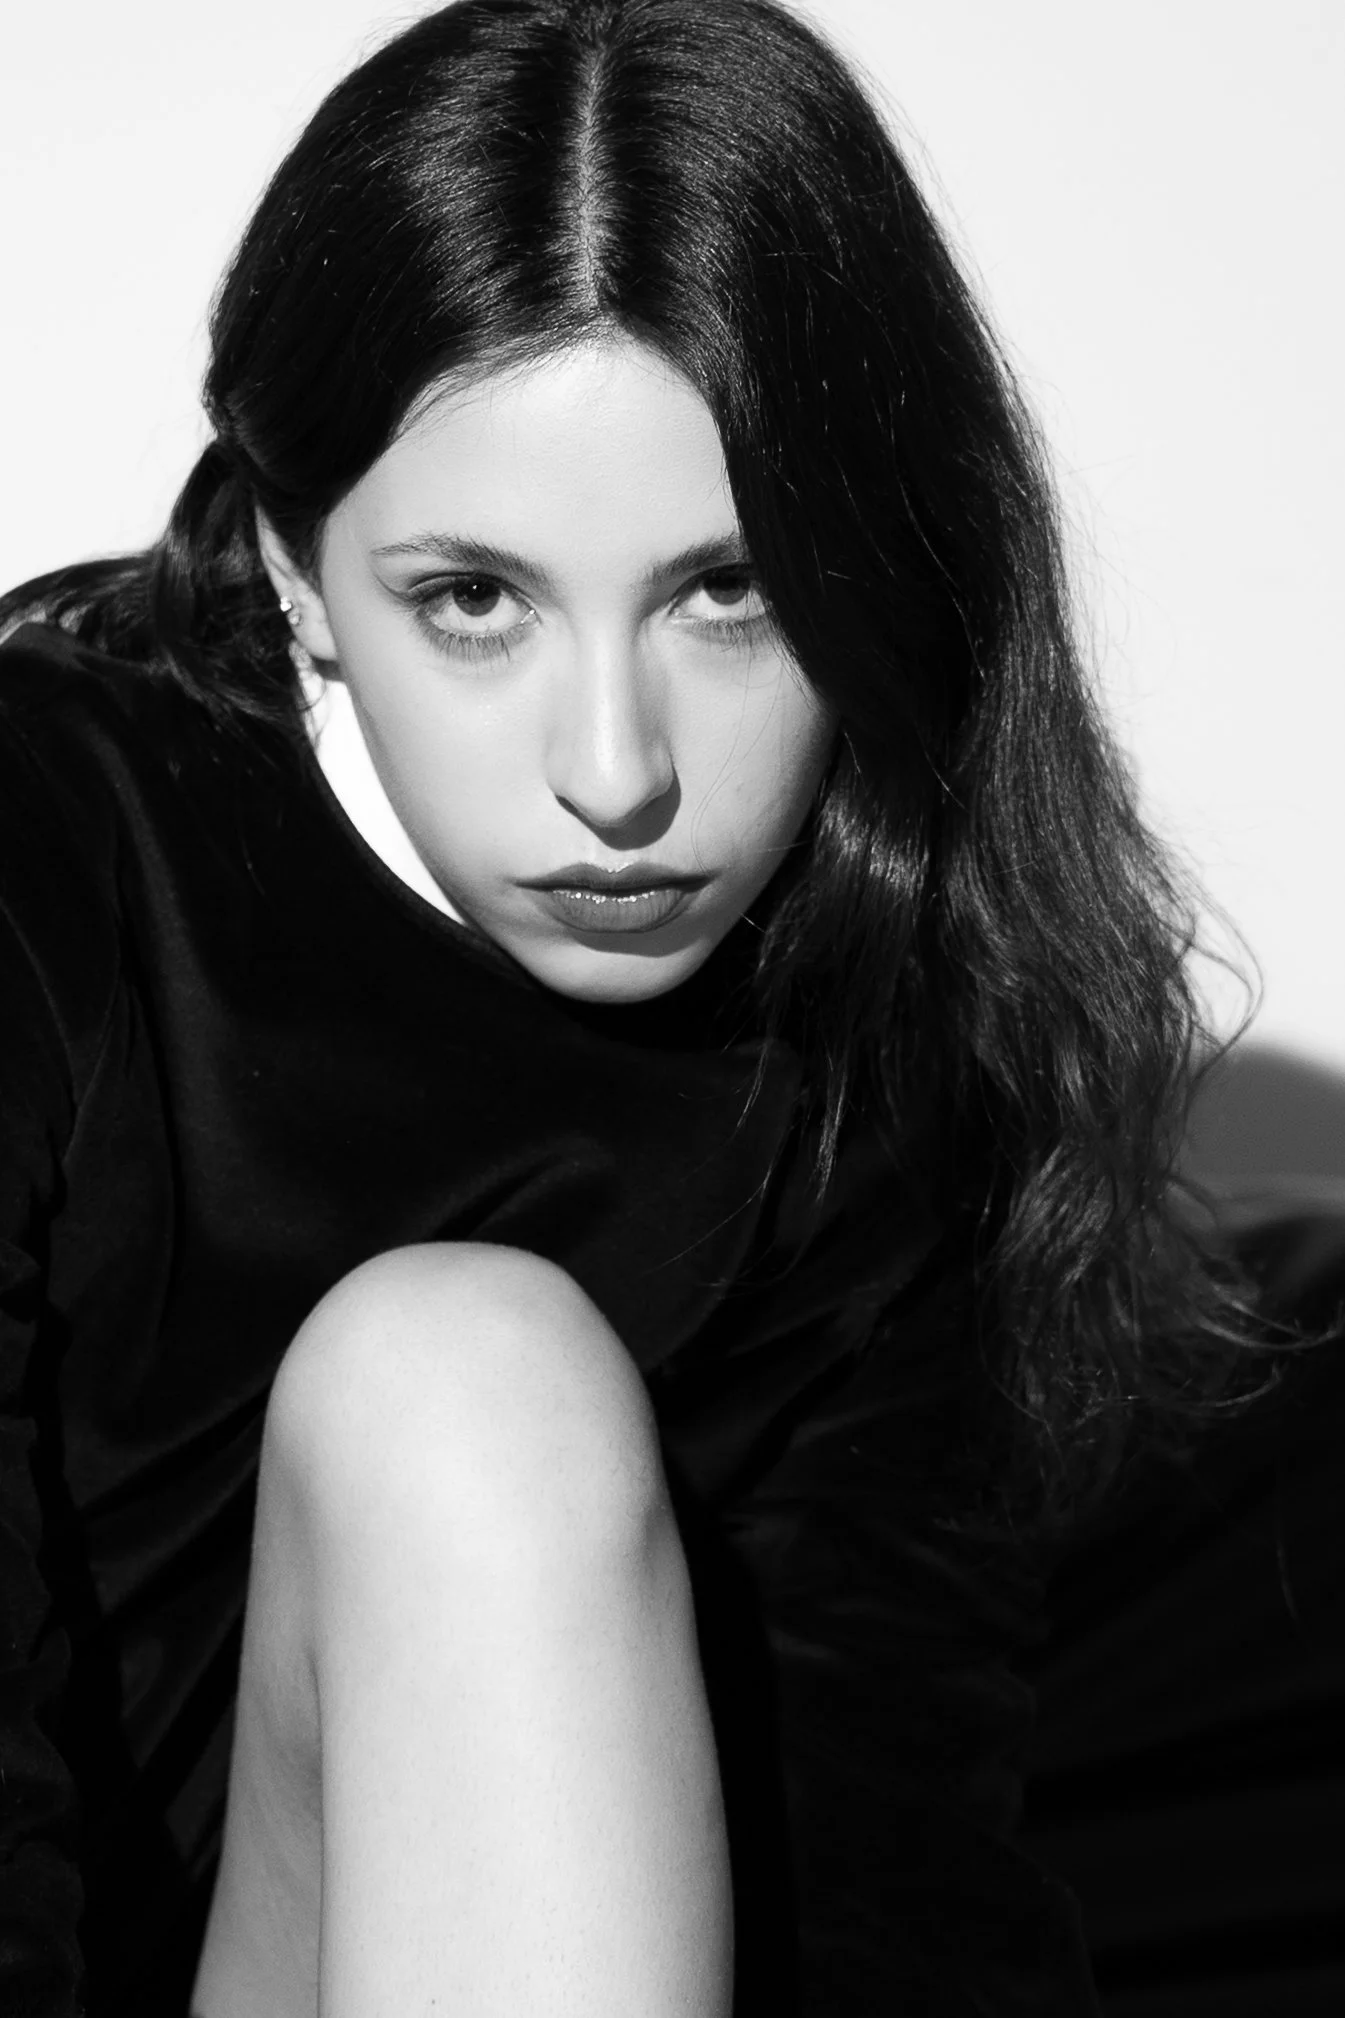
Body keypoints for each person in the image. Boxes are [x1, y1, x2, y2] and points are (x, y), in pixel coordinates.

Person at [0, 1, 1287, 2012]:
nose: (619, 772)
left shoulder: (879, 999)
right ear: (299, 572)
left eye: (732, 592)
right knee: (467, 1382)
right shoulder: (44, 845)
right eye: (474, 601)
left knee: (464, 1383)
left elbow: (882, 1858)